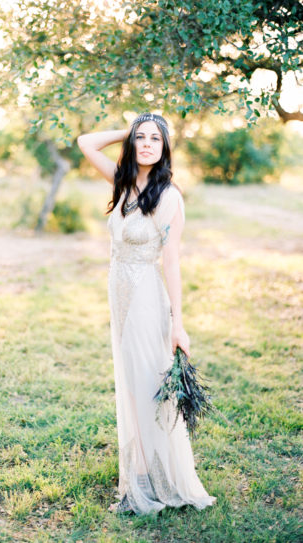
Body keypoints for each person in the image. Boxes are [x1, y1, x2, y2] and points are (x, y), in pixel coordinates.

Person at [77, 112, 217, 515]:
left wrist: (178, 325)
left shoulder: (168, 196)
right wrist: (131, 127)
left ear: (165, 146)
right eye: (141, 138)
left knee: (145, 384)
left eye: (156, 138)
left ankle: (159, 476)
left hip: (144, 299)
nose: (147, 144)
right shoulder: (121, 180)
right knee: (130, 382)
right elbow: (86, 141)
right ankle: (138, 470)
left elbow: (171, 264)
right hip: (117, 297)